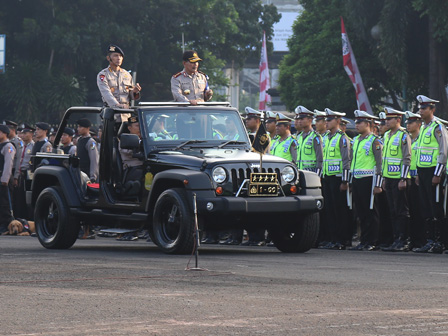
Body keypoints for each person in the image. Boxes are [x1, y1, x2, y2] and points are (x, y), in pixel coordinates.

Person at [411, 95, 448, 253]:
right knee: (426, 207)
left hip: (434, 172)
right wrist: (418, 173)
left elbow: (443, 151)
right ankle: (430, 240)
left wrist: (438, 174)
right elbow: (420, 152)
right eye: (420, 108)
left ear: (432, 110)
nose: (420, 111)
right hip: (423, 172)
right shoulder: (424, 128)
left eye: (424, 108)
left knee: (436, 208)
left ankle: (439, 242)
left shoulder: (437, 127)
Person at [349, 110, 383, 251]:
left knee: (371, 211)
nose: (357, 125)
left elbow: (379, 163)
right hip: (357, 178)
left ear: (368, 124)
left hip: (369, 178)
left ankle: (372, 241)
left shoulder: (374, 141)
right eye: (356, 122)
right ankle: (363, 240)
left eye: (360, 122)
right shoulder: (356, 140)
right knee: (361, 212)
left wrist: (378, 184)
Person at [380, 108, 412, 252]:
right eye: (386, 119)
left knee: (401, 210)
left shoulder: (403, 135)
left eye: (389, 119)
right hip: (389, 178)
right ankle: (395, 238)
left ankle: (403, 239)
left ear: (398, 120)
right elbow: (385, 159)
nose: (386, 121)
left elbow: (407, 158)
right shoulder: (387, 135)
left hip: (400, 178)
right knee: (392, 210)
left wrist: (403, 178)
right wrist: (384, 178)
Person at [320, 108, 351, 250]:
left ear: (338, 121)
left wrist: (345, 180)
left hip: (338, 178)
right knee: (330, 209)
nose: (326, 122)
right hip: (327, 177)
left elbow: (346, 160)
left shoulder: (342, 138)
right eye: (326, 120)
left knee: (340, 210)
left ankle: (342, 240)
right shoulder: (325, 137)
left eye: (329, 120)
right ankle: (333, 239)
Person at [97, 44, 141, 121]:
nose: (119, 58)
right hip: (111, 114)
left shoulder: (126, 74)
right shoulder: (103, 75)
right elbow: (106, 93)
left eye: (120, 56)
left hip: (126, 114)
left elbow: (130, 96)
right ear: (108, 58)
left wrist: (134, 92)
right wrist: (117, 105)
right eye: (115, 56)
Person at [294, 105, 323, 176]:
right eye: (299, 119)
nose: (299, 121)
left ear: (310, 120)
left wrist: (318, 175)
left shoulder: (315, 137)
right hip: (299, 172)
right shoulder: (298, 137)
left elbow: (320, 159)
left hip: (311, 173)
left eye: (302, 119)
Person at [14, 125, 34, 219]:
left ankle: (27, 218)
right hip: (20, 173)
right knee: (19, 198)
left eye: (25, 133)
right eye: (22, 133)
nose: (23, 135)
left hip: (28, 174)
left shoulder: (33, 146)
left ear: (31, 134)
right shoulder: (21, 145)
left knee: (27, 199)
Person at [0, 125, 16, 234]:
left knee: (5, 204)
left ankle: (6, 225)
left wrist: (4, 179)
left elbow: (8, 163)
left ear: (4, 133)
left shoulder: (8, 146)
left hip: (3, 179)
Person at [76, 118, 99, 183]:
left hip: (87, 175)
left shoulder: (91, 142)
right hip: (80, 172)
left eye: (80, 127)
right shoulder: (79, 140)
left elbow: (94, 160)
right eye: (78, 127)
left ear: (87, 128)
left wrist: (93, 176)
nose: (78, 129)